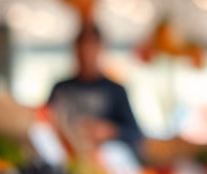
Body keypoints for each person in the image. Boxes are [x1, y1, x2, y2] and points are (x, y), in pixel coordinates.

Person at [47, 22, 144, 151]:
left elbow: (135, 134)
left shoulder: (115, 90)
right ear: (75, 50)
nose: (87, 55)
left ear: (101, 49)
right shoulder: (60, 88)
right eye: (82, 49)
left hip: (100, 162)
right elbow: (44, 123)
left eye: (91, 48)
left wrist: (109, 131)